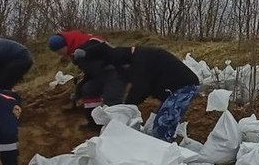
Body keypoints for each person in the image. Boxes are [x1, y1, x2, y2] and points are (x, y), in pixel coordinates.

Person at [73, 45, 201, 142]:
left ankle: (166, 157)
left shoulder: (141, 60)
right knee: (154, 125)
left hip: (184, 87)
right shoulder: (136, 56)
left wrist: (126, 107)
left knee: (163, 124)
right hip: (172, 89)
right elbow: (140, 85)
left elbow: (141, 88)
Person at [47, 30, 125, 129]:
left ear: (65, 46)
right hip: (101, 74)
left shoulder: (91, 44)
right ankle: (95, 123)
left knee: (111, 99)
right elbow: (91, 72)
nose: (59, 54)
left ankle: (119, 127)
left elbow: (106, 49)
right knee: (88, 89)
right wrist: (78, 90)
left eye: (59, 51)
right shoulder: (76, 51)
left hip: (116, 71)